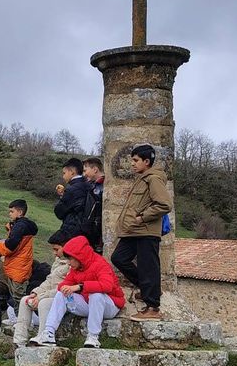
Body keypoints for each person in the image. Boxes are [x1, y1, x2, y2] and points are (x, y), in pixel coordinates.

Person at [110, 144, 172, 321]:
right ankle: (149, 290)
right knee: (118, 258)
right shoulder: (142, 179)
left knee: (148, 267)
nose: (132, 163)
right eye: (132, 160)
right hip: (133, 231)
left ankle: (153, 308)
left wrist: (142, 217)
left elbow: (165, 204)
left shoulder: (153, 179)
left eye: (136, 160)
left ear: (146, 161)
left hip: (146, 231)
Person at [34, 235, 125, 348]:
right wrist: (65, 288)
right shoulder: (76, 268)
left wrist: (79, 287)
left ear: (79, 256)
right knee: (62, 294)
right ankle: (49, 333)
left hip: (110, 305)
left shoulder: (100, 264)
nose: (69, 262)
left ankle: (93, 336)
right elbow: (63, 285)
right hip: (89, 304)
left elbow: (107, 286)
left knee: (96, 295)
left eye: (70, 259)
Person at [15, 234, 72, 348]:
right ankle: (19, 340)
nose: (54, 253)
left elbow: (64, 287)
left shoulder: (71, 264)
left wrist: (40, 297)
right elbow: (49, 281)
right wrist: (35, 293)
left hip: (63, 297)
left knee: (44, 303)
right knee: (25, 300)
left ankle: (42, 335)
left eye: (56, 249)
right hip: (48, 294)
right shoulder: (58, 262)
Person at [0, 200, 38, 299]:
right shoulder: (23, 226)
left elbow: (8, 247)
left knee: (18, 297)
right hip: (19, 265)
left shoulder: (20, 227)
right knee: (15, 295)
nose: (9, 214)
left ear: (20, 212)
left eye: (12, 211)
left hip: (18, 267)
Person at [53, 158, 93, 244]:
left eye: (64, 173)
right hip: (87, 231)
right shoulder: (89, 186)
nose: (63, 176)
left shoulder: (72, 189)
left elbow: (59, 212)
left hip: (72, 231)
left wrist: (62, 197)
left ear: (71, 172)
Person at [83, 157, 105, 252]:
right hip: (90, 229)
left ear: (95, 169)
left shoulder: (104, 185)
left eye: (85, 170)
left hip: (97, 231)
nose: (84, 174)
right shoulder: (91, 185)